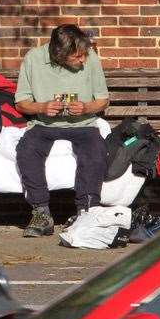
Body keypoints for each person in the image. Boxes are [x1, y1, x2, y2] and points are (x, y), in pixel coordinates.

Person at [15, 24, 110, 237]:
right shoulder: (33, 58)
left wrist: (86, 107)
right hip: (43, 125)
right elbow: (21, 103)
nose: (83, 60)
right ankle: (41, 213)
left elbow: (103, 101)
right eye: (77, 57)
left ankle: (86, 212)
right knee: (27, 150)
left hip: (83, 124)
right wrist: (41, 107)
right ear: (60, 55)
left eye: (84, 55)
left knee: (95, 151)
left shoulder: (91, 57)